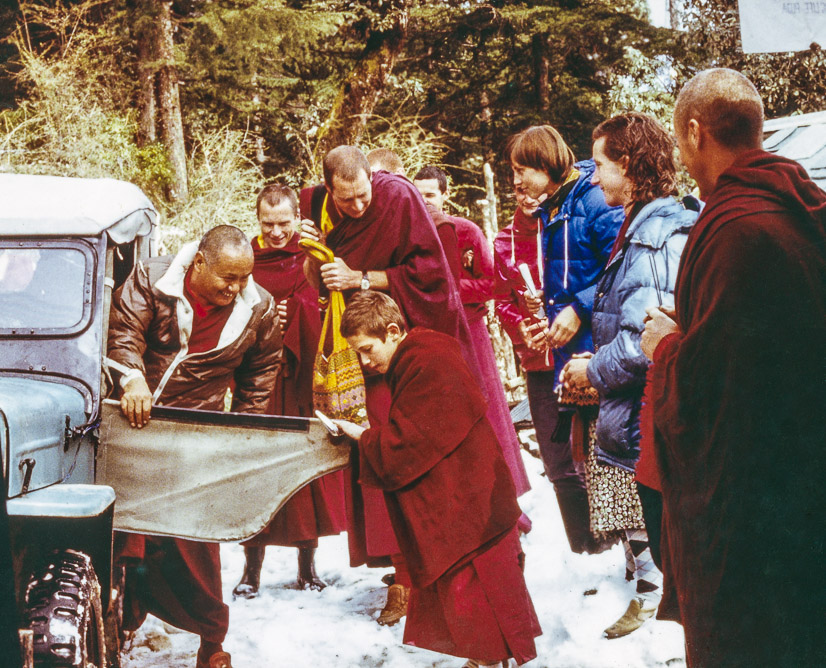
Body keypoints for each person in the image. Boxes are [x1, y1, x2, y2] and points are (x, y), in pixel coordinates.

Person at [641, 68, 826, 666]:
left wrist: (666, 346)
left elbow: (712, 388)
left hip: (752, 502)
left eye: (676, 137)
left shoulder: (734, 230)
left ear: (695, 131)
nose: (679, 151)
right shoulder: (802, 206)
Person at [299, 145, 472, 627]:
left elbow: (433, 274)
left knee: (402, 452)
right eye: (347, 200)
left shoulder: (397, 197)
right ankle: (398, 572)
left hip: (395, 343)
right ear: (329, 188)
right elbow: (314, 280)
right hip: (350, 348)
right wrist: (316, 253)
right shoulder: (314, 205)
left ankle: (416, 573)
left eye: (363, 196)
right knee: (370, 458)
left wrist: (362, 278)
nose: (358, 207)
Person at [335, 290, 541, 667]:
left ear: (393, 331)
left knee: (476, 591)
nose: (364, 361)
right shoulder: (417, 356)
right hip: (472, 497)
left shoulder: (429, 360)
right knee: (472, 595)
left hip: (473, 504)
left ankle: (487, 661)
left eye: (367, 349)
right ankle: (484, 660)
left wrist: (362, 437)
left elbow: (411, 440)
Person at [108, 225, 282, 668]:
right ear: (199, 263)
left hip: (194, 433)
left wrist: (240, 439)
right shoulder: (152, 278)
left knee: (194, 540)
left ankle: (211, 640)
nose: (236, 288)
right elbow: (124, 331)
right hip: (132, 424)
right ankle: (119, 622)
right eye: (228, 277)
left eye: (244, 277)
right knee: (125, 534)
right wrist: (132, 379)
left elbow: (259, 377)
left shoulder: (259, 308)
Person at [560, 112, 697, 638]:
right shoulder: (640, 228)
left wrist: (590, 369)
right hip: (643, 416)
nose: (593, 178)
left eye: (600, 165)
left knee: (674, 556)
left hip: (652, 419)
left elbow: (648, 340)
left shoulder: (654, 237)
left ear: (633, 166)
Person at [507, 125, 624, 553]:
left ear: (549, 163)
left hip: (606, 348)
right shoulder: (553, 210)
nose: (516, 181)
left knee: (611, 459)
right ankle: (611, 560)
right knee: (588, 459)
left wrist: (580, 307)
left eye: (523, 169)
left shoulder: (592, 200)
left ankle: (639, 571)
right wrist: (549, 320)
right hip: (574, 354)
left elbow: (621, 264)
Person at [232, 184, 346, 598]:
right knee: (258, 470)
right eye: (268, 223)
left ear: (298, 217)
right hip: (258, 380)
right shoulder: (244, 259)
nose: (277, 233)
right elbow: (231, 310)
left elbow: (329, 308)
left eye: (284, 223)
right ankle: (251, 571)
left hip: (301, 378)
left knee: (303, 470)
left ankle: (307, 566)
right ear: (257, 220)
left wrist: (297, 314)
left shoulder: (313, 255)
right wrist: (265, 319)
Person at [413, 165, 532, 506]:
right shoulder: (411, 233)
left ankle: (505, 499)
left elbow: (492, 283)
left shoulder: (466, 231)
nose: (425, 203)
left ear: (445, 196)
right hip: (431, 335)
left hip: (470, 332)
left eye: (431, 195)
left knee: (486, 409)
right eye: (418, 196)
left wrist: (448, 289)